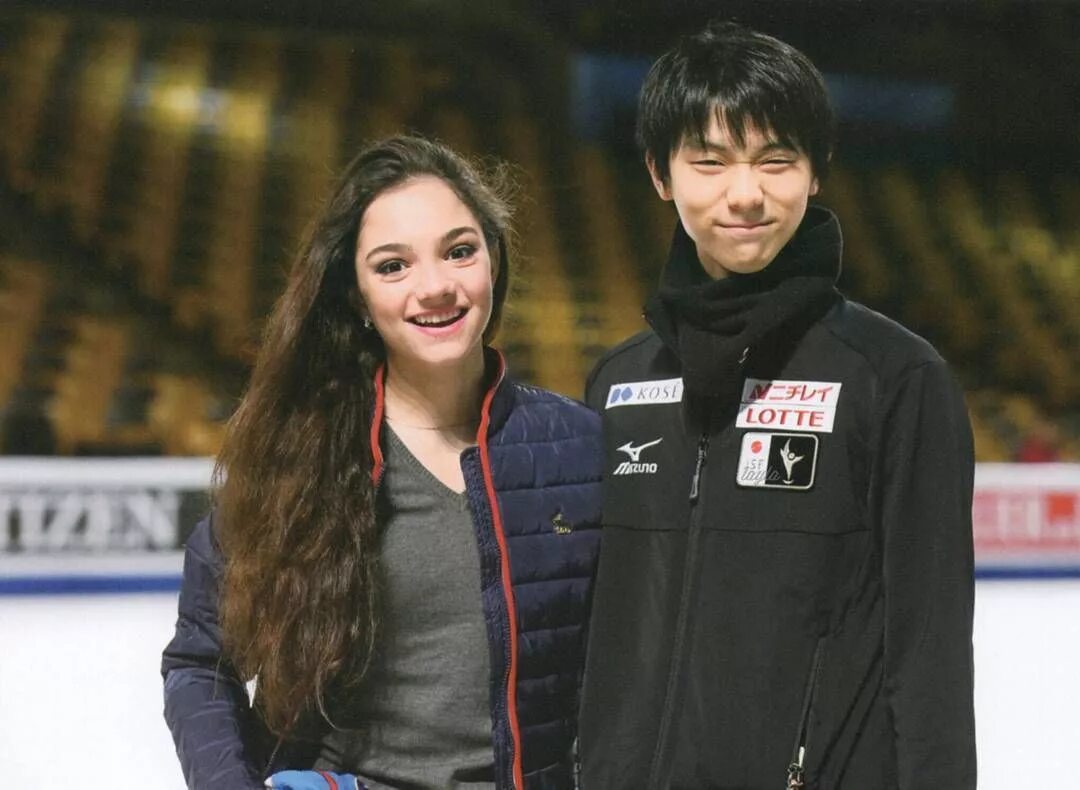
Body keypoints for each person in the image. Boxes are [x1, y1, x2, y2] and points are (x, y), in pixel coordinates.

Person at [577, 21, 976, 790]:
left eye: (776, 161)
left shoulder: (895, 378)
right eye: (710, 163)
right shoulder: (618, 386)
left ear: (816, 171)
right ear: (661, 175)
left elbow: (930, 653)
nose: (746, 194)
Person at [161, 135, 603, 790]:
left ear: (493, 261)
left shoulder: (582, 446)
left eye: (459, 251)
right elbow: (202, 663)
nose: (435, 287)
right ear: (357, 297)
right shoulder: (294, 460)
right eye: (392, 266)